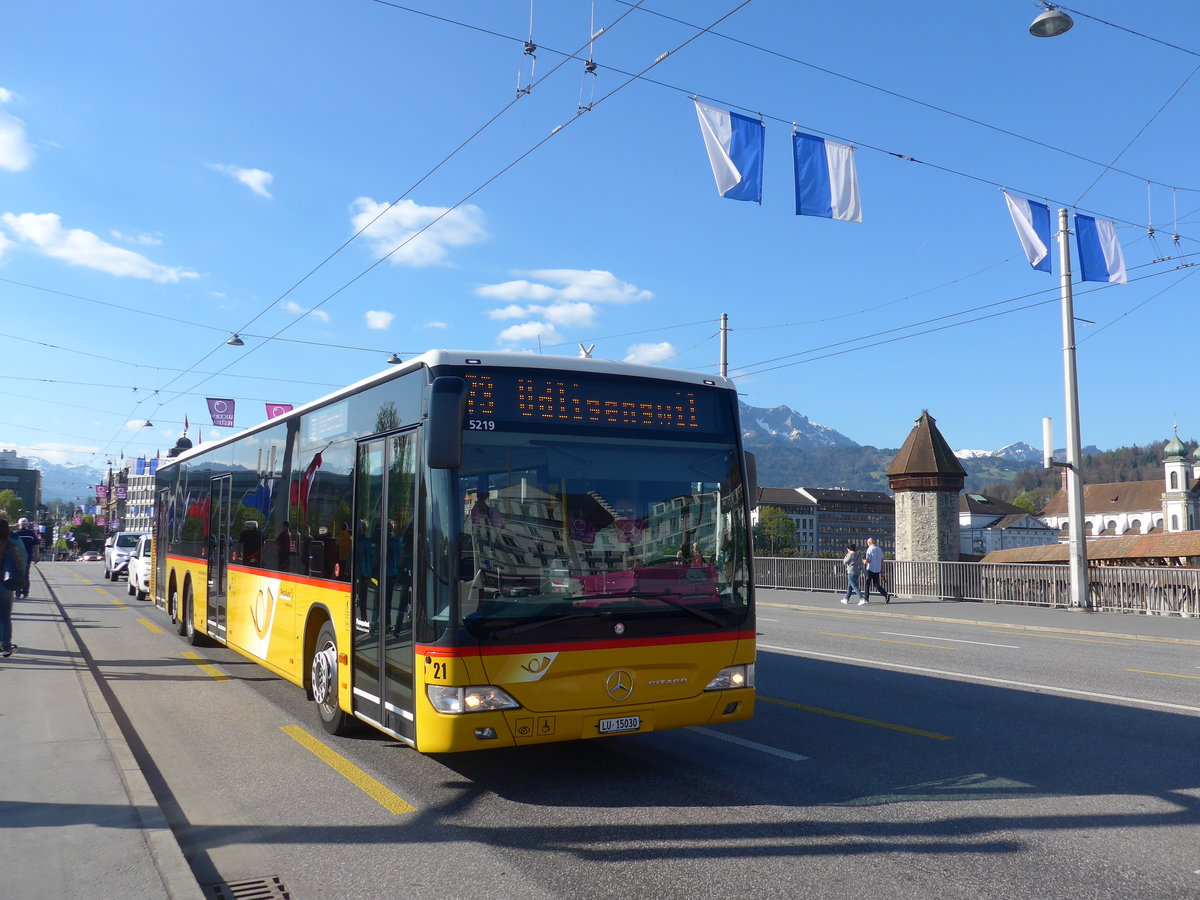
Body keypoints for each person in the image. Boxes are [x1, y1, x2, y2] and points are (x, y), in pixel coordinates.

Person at [0, 519, 28, 657]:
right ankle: (5, 646)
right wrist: (21, 576)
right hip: (5, 583)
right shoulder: (10, 544)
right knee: (5, 616)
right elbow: (20, 562)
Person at [14, 517, 39, 599]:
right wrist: (36, 556)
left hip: (16, 557)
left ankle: (18, 592)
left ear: (18, 525)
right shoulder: (31, 534)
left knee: (17, 574)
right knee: (26, 574)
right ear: (27, 525)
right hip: (27, 557)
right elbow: (36, 545)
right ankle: (25, 592)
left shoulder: (15, 533)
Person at [863, 537, 890, 604]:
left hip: (870, 569)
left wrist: (864, 561)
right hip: (877, 569)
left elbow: (868, 560)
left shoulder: (870, 549)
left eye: (867, 543)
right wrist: (881, 570)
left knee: (867, 584)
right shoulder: (879, 549)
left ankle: (866, 598)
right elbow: (882, 560)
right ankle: (885, 594)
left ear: (869, 543)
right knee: (876, 584)